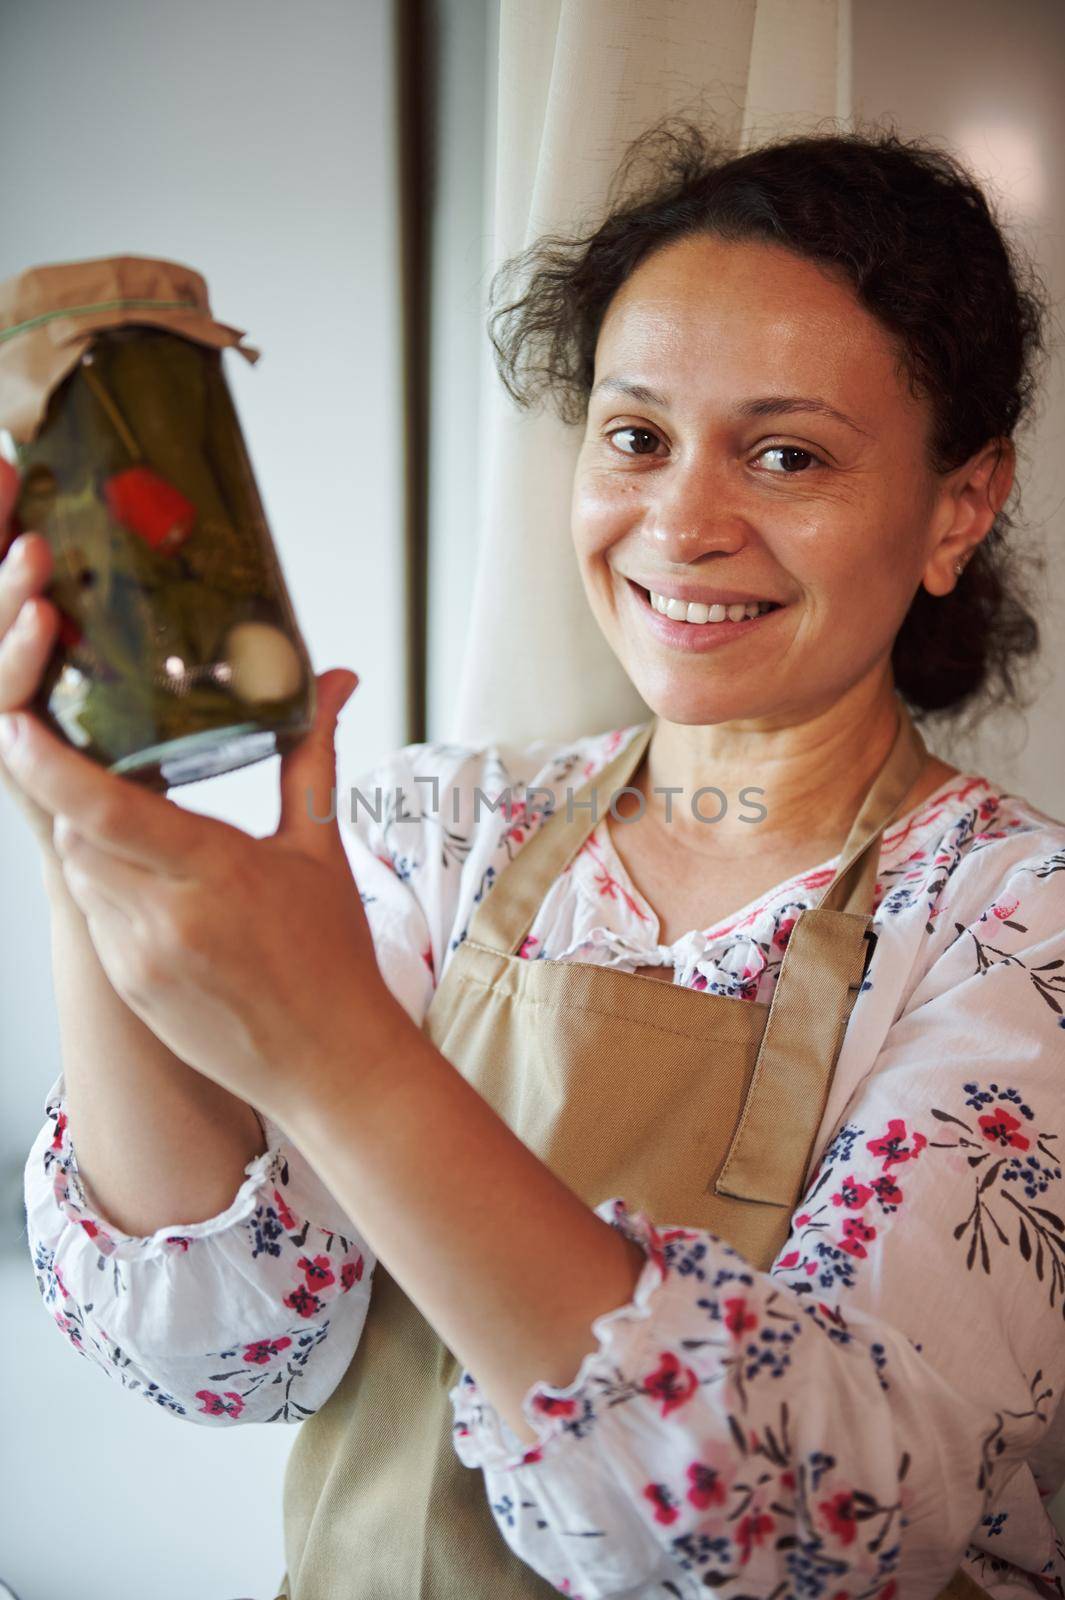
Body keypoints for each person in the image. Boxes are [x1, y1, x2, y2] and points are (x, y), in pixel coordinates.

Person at [3, 122, 1064, 1599]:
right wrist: (80, 839)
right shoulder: (445, 830)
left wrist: (339, 1053)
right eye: (635, 437)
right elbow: (222, 1355)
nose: (680, 524)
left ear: (959, 503)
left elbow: (814, 1539)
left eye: (784, 453)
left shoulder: (1014, 930)